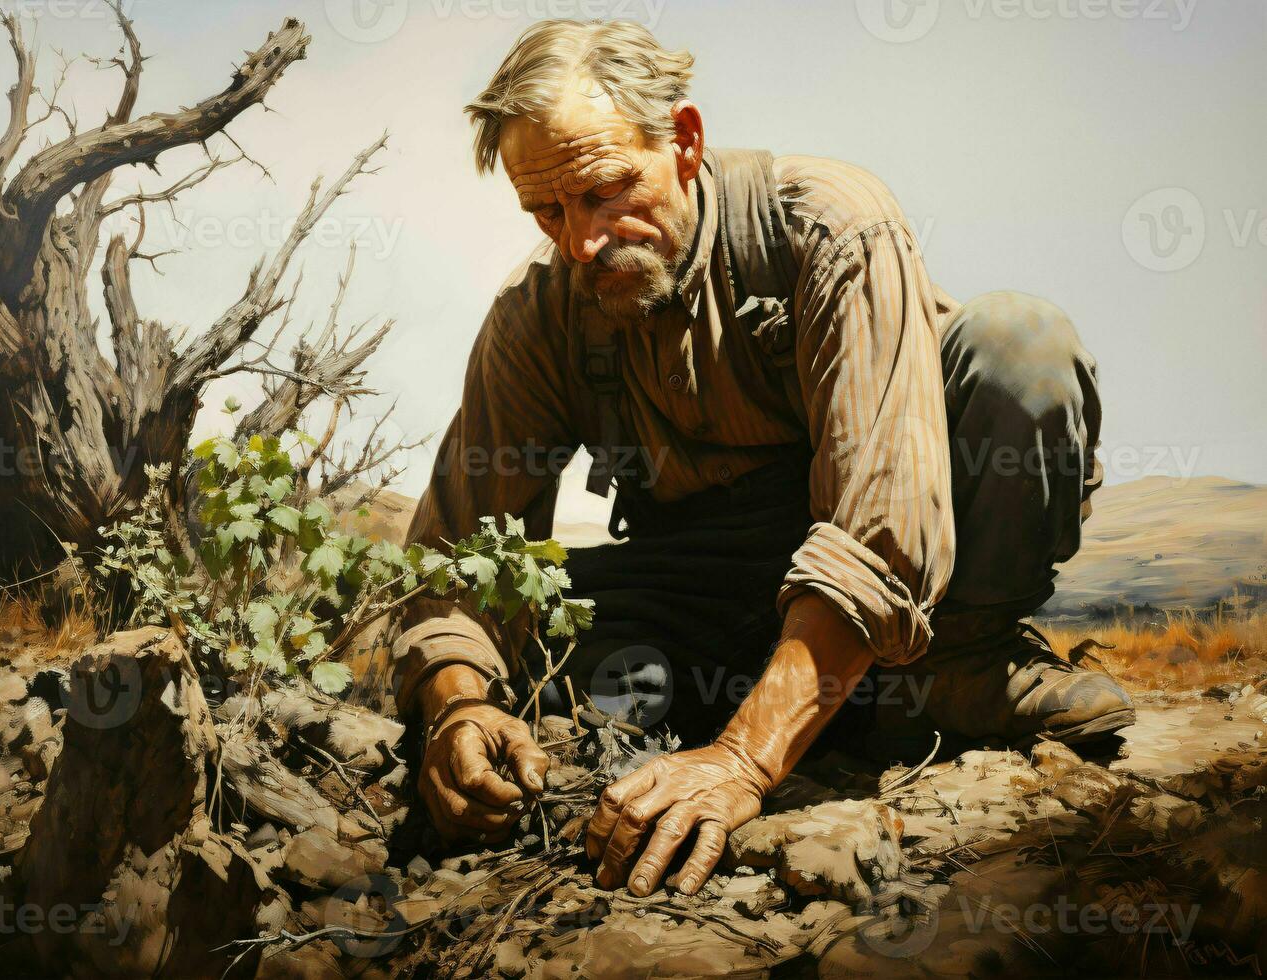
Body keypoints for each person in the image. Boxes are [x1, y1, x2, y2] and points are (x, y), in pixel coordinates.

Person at [393, 19, 1134, 899]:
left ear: (686, 141)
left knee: (1020, 345)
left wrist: (740, 761)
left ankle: (952, 674)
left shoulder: (828, 224)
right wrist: (457, 704)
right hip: (708, 584)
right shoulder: (540, 311)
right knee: (550, 682)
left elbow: (881, 532)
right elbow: (456, 559)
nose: (580, 242)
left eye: (603, 191)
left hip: (897, 587)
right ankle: (828, 706)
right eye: (547, 212)